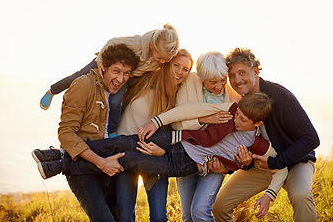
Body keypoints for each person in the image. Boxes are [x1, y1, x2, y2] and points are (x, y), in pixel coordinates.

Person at [36, 92, 287, 220]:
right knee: (126, 141)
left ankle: (61, 164)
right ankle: (61, 154)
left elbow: (281, 168)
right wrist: (158, 122)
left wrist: (269, 194)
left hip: (182, 162)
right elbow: (190, 109)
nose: (236, 119)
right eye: (238, 114)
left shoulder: (259, 144)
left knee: (128, 160)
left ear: (257, 124)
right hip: (177, 140)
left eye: (243, 120)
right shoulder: (232, 109)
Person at [33, 43, 140, 222]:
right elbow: (66, 133)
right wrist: (101, 162)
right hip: (83, 169)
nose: (121, 79)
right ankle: (62, 160)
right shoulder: (83, 85)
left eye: (126, 73)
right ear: (102, 67)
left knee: (125, 219)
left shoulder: (121, 91)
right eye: (116, 71)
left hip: (111, 163)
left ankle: (57, 159)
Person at [212, 47, 320, 222]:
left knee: (301, 195)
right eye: (232, 75)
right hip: (261, 166)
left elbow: (310, 139)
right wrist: (245, 163)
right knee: (220, 206)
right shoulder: (237, 101)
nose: (237, 80)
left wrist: (275, 162)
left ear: (255, 71)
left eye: (242, 72)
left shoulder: (281, 96)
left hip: (295, 162)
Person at [139, 50, 240, 222]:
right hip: (186, 153)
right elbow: (178, 122)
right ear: (201, 77)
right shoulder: (190, 83)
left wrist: (227, 165)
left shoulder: (234, 98)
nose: (218, 86)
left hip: (214, 161)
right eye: (212, 82)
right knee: (187, 215)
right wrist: (203, 119)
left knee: (200, 211)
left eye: (223, 80)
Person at [39, 24, 179, 137]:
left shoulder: (162, 56)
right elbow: (112, 42)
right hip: (106, 62)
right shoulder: (137, 43)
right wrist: (100, 60)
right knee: (77, 77)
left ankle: (111, 131)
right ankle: (52, 91)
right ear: (151, 47)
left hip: (124, 76)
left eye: (165, 60)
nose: (161, 62)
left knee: (116, 101)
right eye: (159, 58)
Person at [113, 48, 193, 222]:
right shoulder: (145, 79)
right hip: (123, 154)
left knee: (158, 216)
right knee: (124, 216)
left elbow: (180, 132)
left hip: (154, 158)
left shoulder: (181, 97)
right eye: (176, 65)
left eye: (185, 69)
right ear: (167, 64)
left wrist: (164, 153)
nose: (179, 72)